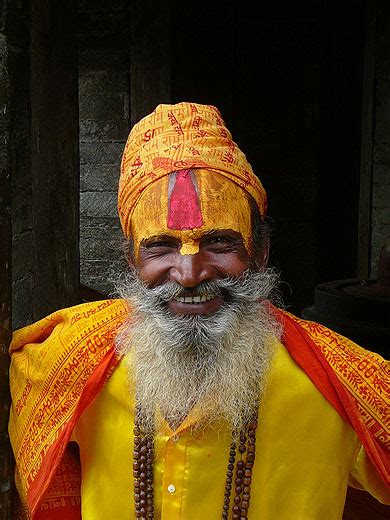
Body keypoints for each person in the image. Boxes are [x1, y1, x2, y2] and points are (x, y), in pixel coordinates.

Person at [9, 102, 389, 520]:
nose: (189, 273)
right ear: (131, 259)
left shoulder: (338, 383)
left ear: (260, 252)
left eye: (220, 243)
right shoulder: (68, 359)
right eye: (161, 246)